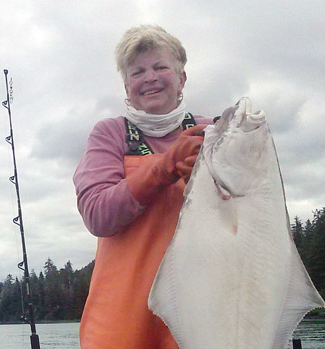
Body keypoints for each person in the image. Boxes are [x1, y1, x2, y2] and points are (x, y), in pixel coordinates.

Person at [73, 25, 213, 348]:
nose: (149, 78)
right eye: (137, 72)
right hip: (121, 325)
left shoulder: (213, 132)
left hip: (200, 320)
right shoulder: (109, 135)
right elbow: (97, 214)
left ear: (182, 78)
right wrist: (165, 167)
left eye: (160, 67)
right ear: (127, 86)